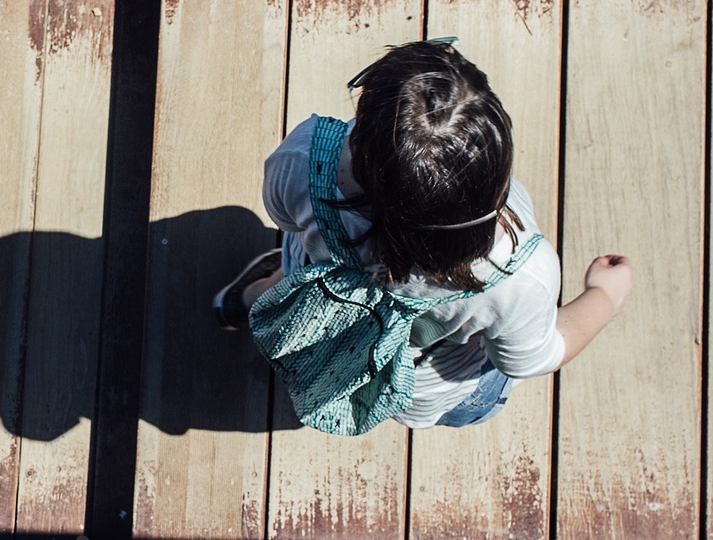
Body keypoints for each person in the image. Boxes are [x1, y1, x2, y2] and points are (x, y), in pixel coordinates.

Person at [213, 39, 632, 428]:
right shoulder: (519, 277)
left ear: (364, 139)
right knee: (480, 393)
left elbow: (285, 219)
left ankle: (245, 302)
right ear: (495, 165)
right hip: (418, 383)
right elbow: (531, 357)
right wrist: (605, 296)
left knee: (293, 269)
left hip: (317, 291)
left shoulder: (304, 156)